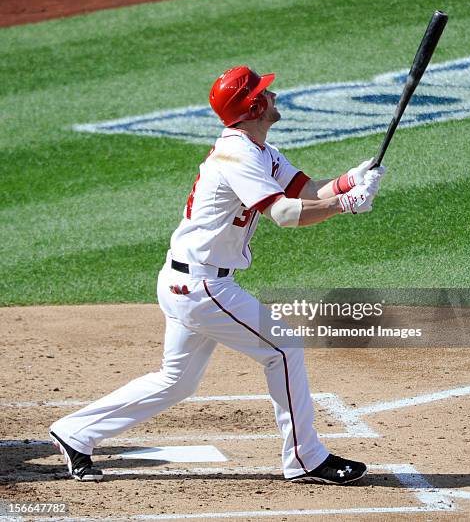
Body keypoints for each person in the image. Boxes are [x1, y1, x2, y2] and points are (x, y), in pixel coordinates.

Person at [49, 66, 385, 484]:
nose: (274, 94)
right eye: (265, 92)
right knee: (282, 347)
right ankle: (305, 458)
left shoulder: (258, 148)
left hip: (187, 280)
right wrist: (346, 205)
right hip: (203, 285)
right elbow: (283, 214)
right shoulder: (237, 155)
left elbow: (303, 189)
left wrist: (350, 180)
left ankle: (74, 432)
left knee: (176, 381)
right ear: (254, 106)